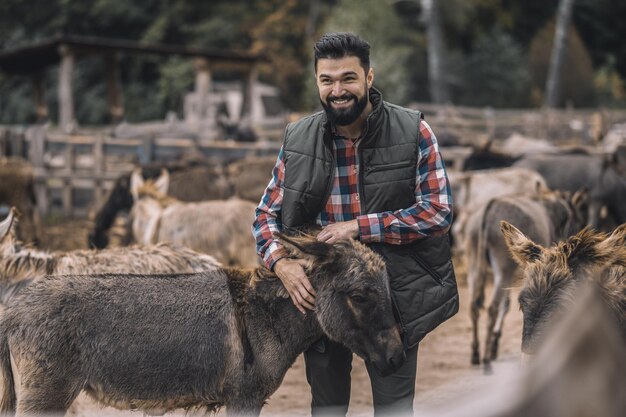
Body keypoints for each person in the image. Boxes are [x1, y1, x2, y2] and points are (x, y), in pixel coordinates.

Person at [252, 32, 459, 417]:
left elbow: (437, 211)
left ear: (369, 78)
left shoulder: (413, 132)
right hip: (326, 298)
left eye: (348, 78)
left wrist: (361, 227)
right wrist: (280, 262)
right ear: (316, 82)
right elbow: (265, 216)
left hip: (392, 296)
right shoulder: (298, 139)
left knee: (394, 409)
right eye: (326, 80)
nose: (337, 90)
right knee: (327, 409)